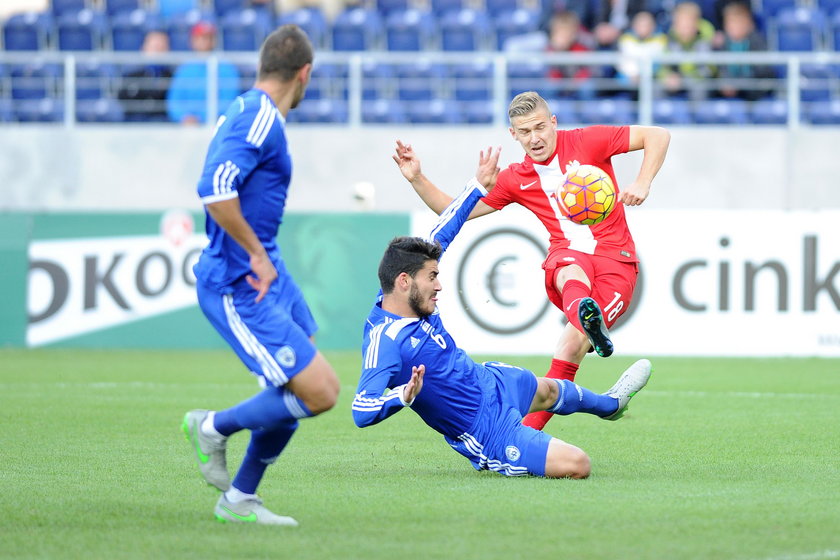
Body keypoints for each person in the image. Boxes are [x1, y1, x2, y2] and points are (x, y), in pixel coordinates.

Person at [353, 149, 652, 479]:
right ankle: (517, 448)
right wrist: (401, 396)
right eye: (432, 278)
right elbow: (361, 409)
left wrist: (479, 185)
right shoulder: (385, 341)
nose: (439, 287)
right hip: (486, 431)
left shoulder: (408, 294)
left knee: (550, 391)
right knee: (578, 464)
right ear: (404, 281)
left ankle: (611, 405)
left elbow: (443, 231)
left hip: (491, 382)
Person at [393, 90, 669, 432]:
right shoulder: (515, 177)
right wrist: (417, 177)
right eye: (524, 132)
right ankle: (583, 316)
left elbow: (657, 135)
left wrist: (643, 181)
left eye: (540, 128)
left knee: (570, 347)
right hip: (567, 258)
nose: (534, 138)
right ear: (513, 135)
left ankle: (534, 428)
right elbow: (456, 211)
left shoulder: (589, 140)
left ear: (553, 123)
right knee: (570, 268)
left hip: (618, 263)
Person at [182, 24, 340, 526]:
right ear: (305, 73)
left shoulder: (256, 113)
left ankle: (240, 499)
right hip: (238, 280)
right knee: (319, 392)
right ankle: (212, 426)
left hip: (267, 269)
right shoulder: (258, 117)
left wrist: (263, 253)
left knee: (303, 381)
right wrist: (254, 252)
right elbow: (213, 187)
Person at [166, 21, 241, 124]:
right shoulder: (184, 69)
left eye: (208, 37)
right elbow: (174, 101)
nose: (203, 41)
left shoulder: (227, 68)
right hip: (185, 127)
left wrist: (200, 118)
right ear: (192, 41)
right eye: (199, 37)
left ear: (214, 40)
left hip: (216, 125)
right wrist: (184, 117)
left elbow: (229, 101)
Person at [713, 1, 774, 101]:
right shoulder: (724, 43)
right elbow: (721, 68)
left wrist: (738, 84)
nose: (733, 27)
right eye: (730, 23)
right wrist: (726, 82)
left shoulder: (757, 42)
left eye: (737, 23)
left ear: (748, 24)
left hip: (752, 89)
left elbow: (762, 71)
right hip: (730, 89)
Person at [658, 1, 716, 101]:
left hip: (697, 80)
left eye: (688, 23)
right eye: (681, 23)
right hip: (675, 81)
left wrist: (686, 78)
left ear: (696, 24)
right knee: (657, 88)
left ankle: (698, 116)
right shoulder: (669, 40)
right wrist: (667, 77)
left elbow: (709, 69)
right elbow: (662, 66)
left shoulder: (704, 41)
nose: (685, 28)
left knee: (700, 89)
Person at [117, 30, 173, 122]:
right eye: (155, 47)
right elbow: (122, 102)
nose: (158, 53)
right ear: (144, 48)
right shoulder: (132, 77)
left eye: (161, 48)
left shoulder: (174, 78)